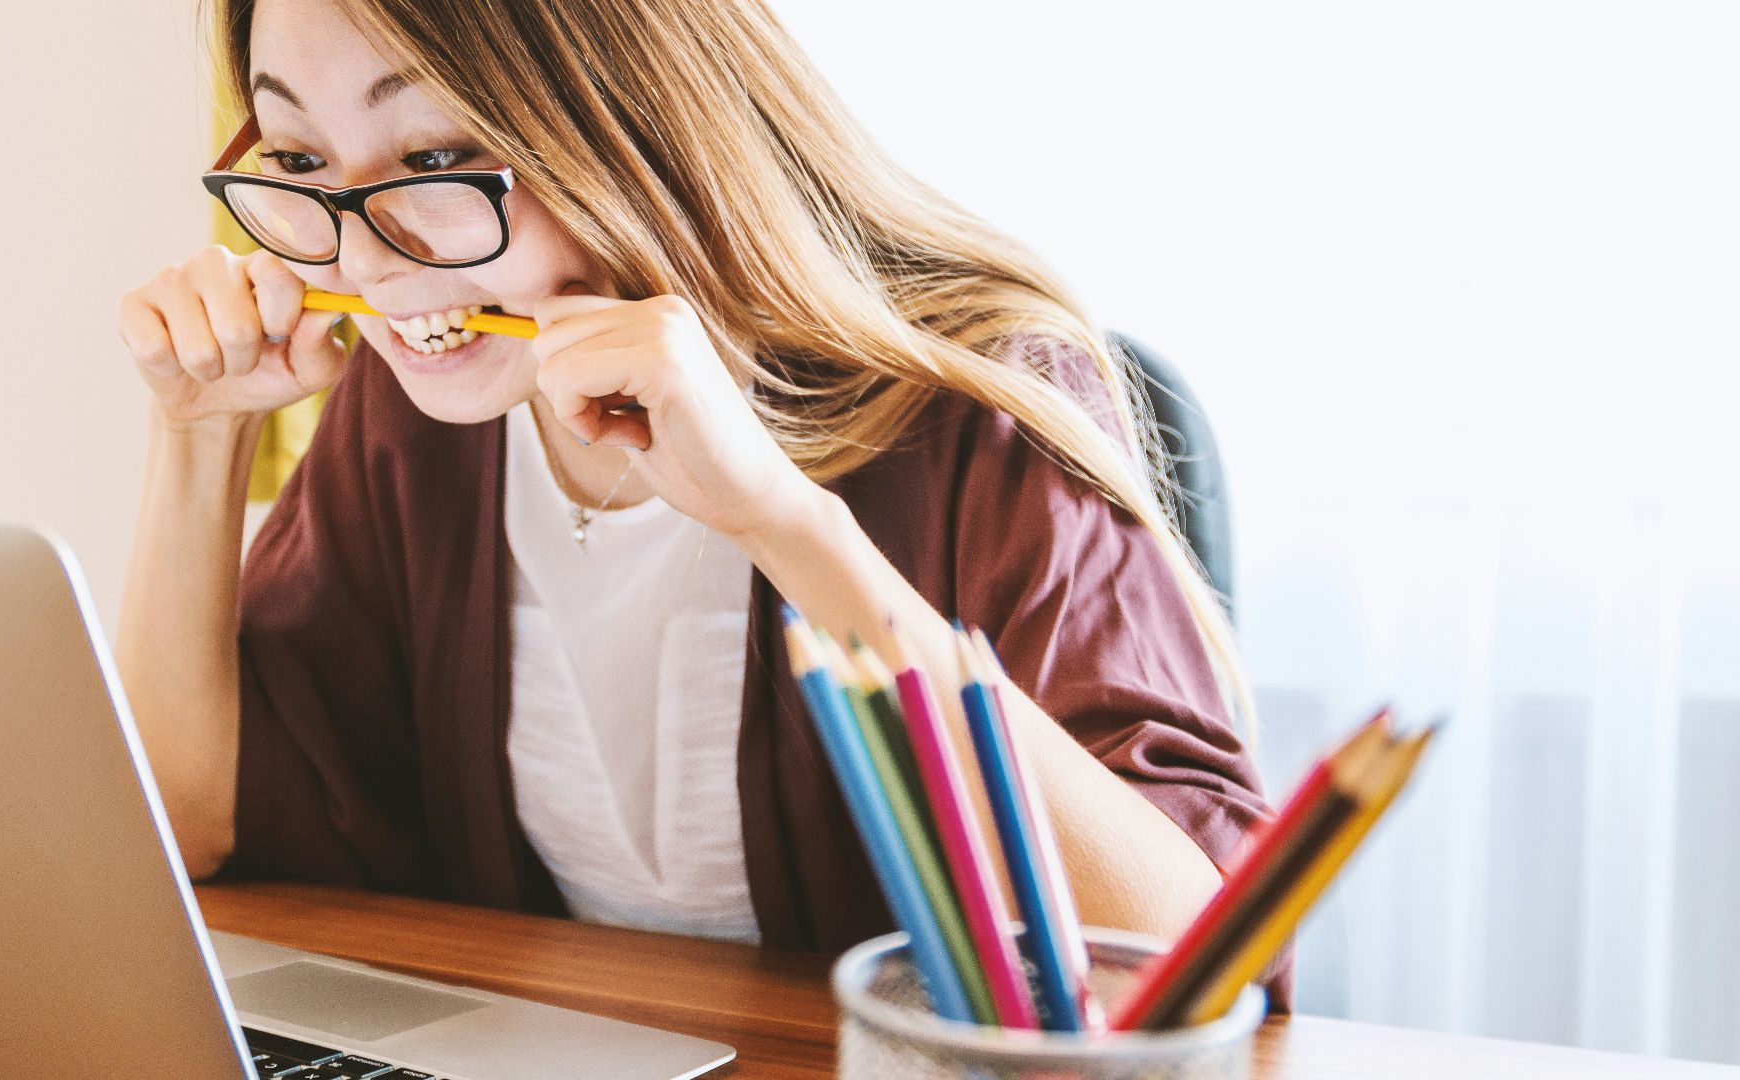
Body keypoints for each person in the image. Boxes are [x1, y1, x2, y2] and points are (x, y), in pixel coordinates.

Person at [115, 0, 1284, 1000]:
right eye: (301, 160)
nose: (362, 263)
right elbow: (189, 825)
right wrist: (198, 437)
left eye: (433, 159)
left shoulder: (976, 401)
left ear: (632, 122)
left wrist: (779, 519)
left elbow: (1191, 959)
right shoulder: (419, 416)